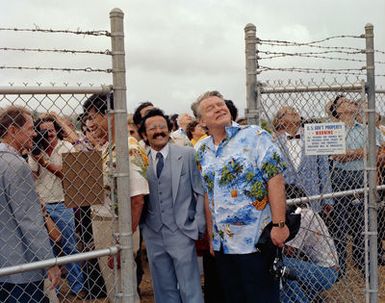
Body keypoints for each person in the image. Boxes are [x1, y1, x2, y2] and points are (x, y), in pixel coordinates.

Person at [193, 90, 289, 302]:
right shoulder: (201, 150)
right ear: (201, 121)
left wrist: (279, 225)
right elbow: (209, 194)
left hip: (255, 241)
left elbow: (275, 179)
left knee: (262, 297)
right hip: (223, 245)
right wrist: (211, 235)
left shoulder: (255, 136)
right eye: (211, 108)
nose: (219, 108)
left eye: (221, 104)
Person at [83, 93, 149, 302]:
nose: (89, 123)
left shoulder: (127, 148)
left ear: (109, 115)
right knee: (114, 287)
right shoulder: (107, 147)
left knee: (123, 288)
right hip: (103, 225)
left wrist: (124, 241)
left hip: (118, 227)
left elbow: (137, 199)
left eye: (93, 117)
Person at [139, 108, 205, 303]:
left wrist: (198, 225)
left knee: (189, 287)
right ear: (144, 134)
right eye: (152, 128)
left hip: (182, 230)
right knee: (163, 288)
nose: (158, 131)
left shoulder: (186, 154)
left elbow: (200, 191)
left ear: (169, 129)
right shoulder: (139, 159)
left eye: (162, 127)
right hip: (153, 232)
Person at [0, 106, 61, 302]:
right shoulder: (16, 165)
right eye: (29, 128)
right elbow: (29, 219)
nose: (35, 133)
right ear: (12, 131)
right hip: (20, 265)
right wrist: (49, 261)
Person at [28, 114, 86, 298]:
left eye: (51, 130)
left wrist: (43, 162)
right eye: (44, 131)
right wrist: (36, 156)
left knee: (69, 246)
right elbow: (33, 177)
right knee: (48, 249)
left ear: (57, 131)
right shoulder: (36, 150)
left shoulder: (66, 147)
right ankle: (55, 291)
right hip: (43, 204)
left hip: (63, 202)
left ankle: (77, 288)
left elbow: (68, 175)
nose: (49, 134)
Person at [272, 106, 334, 214]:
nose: (294, 112)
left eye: (295, 111)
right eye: (287, 112)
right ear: (281, 121)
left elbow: (324, 170)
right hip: (286, 199)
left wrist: (327, 200)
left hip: (312, 198)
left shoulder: (313, 137)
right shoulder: (274, 144)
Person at [281, 206, 339, 303]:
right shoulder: (308, 212)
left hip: (326, 272)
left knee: (279, 264)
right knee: (284, 273)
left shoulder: (303, 215)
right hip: (319, 268)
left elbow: (289, 251)